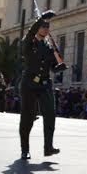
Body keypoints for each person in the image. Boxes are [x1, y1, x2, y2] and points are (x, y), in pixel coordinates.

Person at [19, 10, 65, 160]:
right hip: (29, 84)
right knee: (28, 117)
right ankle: (25, 149)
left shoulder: (48, 46)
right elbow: (31, 32)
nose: (46, 28)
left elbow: (52, 66)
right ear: (38, 26)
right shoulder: (29, 42)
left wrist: (60, 67)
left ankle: (48, 147)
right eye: (43, 25)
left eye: (47, 26)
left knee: (50, 114)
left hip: (44, 84)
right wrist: (41, 18)